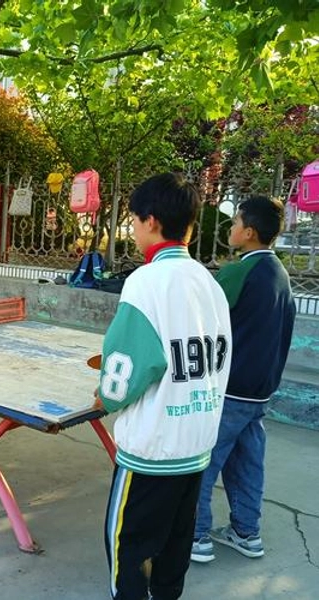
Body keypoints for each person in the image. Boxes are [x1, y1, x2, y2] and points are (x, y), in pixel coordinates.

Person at [92, 172, 232, 600]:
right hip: (196, 447)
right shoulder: (211, 284)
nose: (132, 231)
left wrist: (104, 398)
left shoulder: (145, 283)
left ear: (150, 221)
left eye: (133, 221)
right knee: (174, 548)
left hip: (151, 451)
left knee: (127, 548)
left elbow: (123, 373)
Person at [192, 196, 296, 564]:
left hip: (231, 388)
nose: (230, 228)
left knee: (204, 459)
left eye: (235, 222)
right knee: (248, 463)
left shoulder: (238, 272)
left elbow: (202, 324)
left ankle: (197, 535)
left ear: (249, 232)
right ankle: (246, 532)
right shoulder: (281, 275)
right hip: (260, 391)